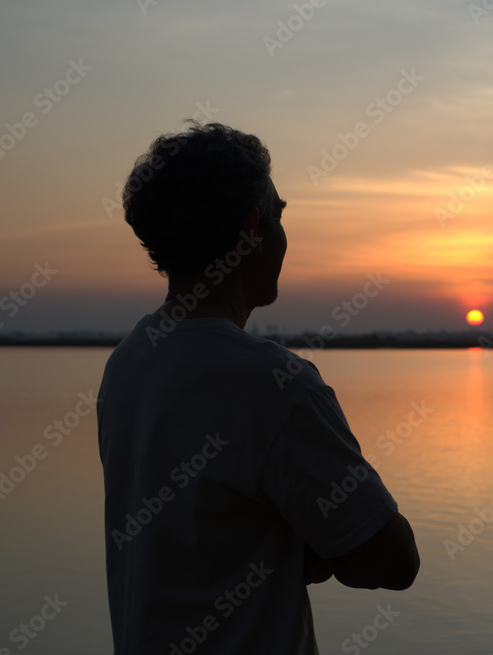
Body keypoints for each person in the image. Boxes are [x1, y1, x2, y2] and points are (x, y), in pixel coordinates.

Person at [96, 121, 419, 654]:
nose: (285, 238)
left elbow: (197, 531)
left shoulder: (128, 364)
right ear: (252, 229)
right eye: (279, 217)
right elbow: (392, 561)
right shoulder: (273, 385)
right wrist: (314, 543)